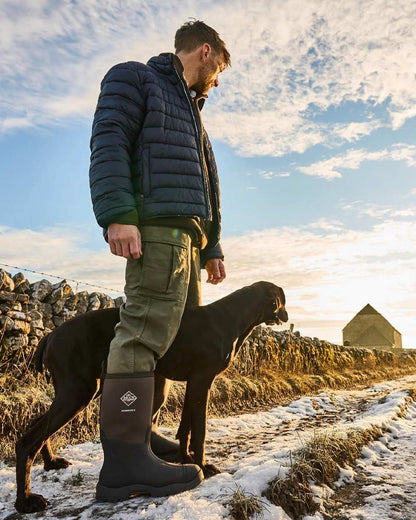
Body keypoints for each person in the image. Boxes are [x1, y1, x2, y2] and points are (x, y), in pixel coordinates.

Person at [89, 20, 230, 502]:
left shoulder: (193, 112)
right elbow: (108, 139)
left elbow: (209, 184)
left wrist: (211, 246)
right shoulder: (136, 78)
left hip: (188, 242)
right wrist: (118, 215)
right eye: (219, 70)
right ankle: (124, 464)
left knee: (174, 344)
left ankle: (143, 437)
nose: (217, 81)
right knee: (144, 333)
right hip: (156, 231)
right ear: (206, 52)